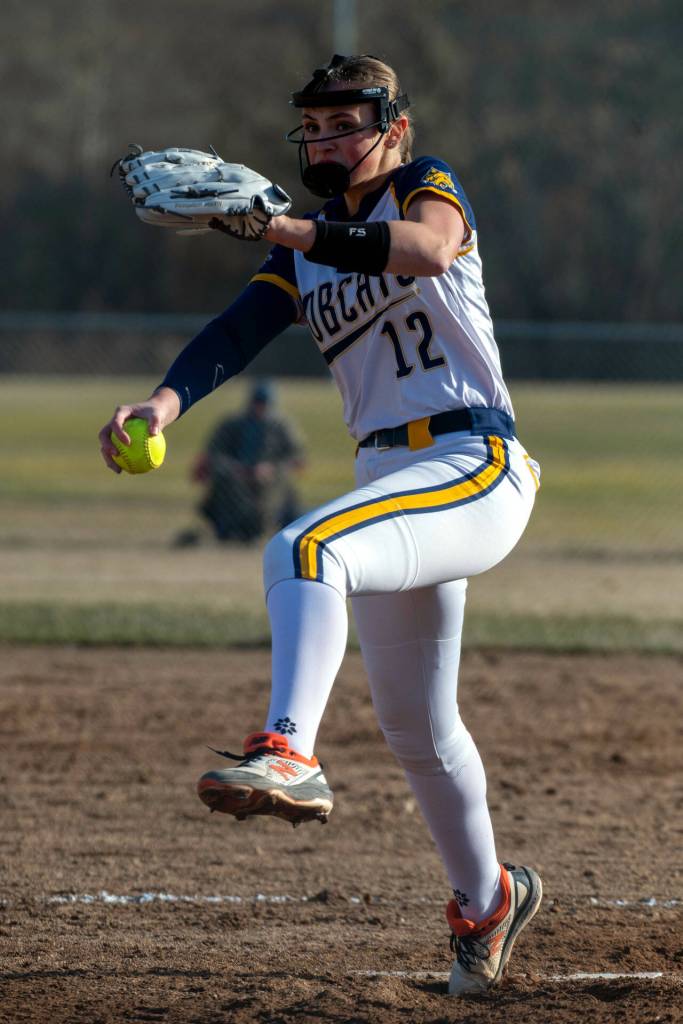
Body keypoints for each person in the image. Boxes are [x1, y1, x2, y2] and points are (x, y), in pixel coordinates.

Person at [99, 54, 543, 996]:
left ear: (396, 129)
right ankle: (487, 899)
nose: (328, 138)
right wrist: (162, 406)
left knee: (304, 547)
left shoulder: (426, 188)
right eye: (316, 124)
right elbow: (235, 332)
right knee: (416, 727)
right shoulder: (302, 248)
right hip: (387, 469)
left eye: (350, 121)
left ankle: (288, 750)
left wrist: (288, 227)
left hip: (470, 461)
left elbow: (425, 251)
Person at [179, 380, 306, 544]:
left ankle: (261, 526)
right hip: (234, 478)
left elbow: (297, 458)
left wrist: (271, 468)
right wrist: (236, 468)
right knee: (227, 482)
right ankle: (227, 527)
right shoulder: (232, 425)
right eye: (257, 402)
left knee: (275, 494)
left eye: (264, 404)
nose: (260, 408)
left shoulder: (280, 427)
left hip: (269, 482)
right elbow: (212, 454)